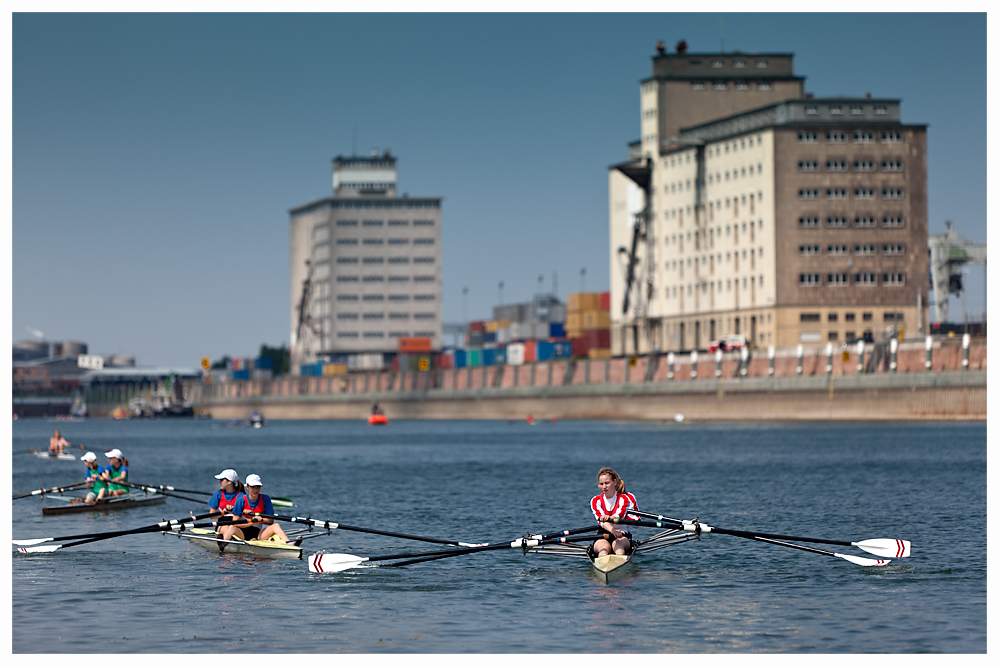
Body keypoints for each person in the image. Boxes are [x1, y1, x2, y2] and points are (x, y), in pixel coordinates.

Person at [218, 474, 297, 545]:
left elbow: (270, 521)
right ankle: (224, 543)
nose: (256, 490)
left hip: (258, 533)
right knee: (231, 527)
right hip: (241, 533)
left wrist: (260, 520)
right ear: (247, 487)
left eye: (258, 487)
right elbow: (235, 522)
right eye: (253, 487)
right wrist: (252, 522)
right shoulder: (241, 500)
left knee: (276, 526)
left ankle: (290, 543)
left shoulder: (265, 499)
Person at [589, 467, 639, 557]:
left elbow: (620, 514)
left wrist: (610, 518)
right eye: (601, 484)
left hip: (622, 534)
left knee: (618, 545)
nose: (604, 486)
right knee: (603, 548)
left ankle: (619, 558)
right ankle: (603, 560)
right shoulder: (595, 500)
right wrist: (612, 530)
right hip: (603, 533)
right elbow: (601, 522)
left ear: (615, 482)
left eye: (607, 483)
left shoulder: (624, 498)